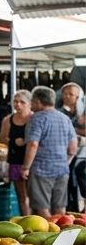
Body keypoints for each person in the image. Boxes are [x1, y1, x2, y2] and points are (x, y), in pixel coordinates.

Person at [24, 85, 77, 216]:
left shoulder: (37, 118)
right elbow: (73, 148)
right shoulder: (65, 118)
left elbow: (33, 144)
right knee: (60, 208)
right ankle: (63, 235)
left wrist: (26, 167)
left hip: (41, 170)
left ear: (38, 101)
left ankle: (50, 235)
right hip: (62, 170)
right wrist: (66, 162)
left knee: (42, 208)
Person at [1, 89, 32, 216]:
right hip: (15, 160)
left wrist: (26, 141)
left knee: (35, 196)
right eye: (15, 102)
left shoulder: (34, 118)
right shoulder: (8, 120)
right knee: (22, 195)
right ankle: (27, 219)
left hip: (31, 161)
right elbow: (2, 138)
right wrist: (13, 142)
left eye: (22, 102)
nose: (18, 105)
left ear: (29, 104)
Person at [61, 83, 86, 211]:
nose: (67, 96)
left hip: (82, 154)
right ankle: (71, 208)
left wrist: (73, 130)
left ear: (78, 97)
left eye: (71, 94)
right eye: (65, 93)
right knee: (68, 180)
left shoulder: (83, 113)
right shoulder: (60, 112)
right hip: (64, 153)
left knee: (79, 175)